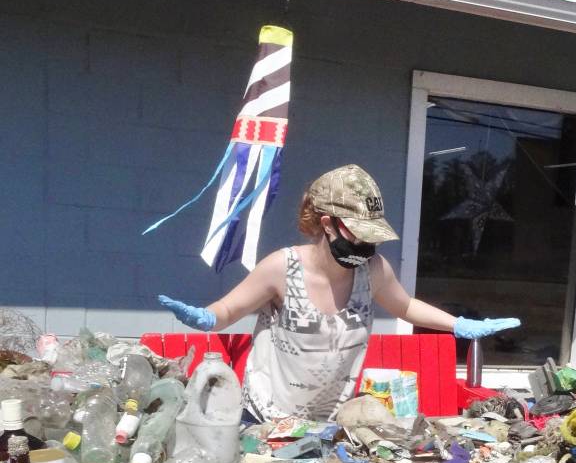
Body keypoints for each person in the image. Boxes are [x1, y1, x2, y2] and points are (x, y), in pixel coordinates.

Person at [158, 164, 519, 421]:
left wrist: (460, 326)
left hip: (331, 425)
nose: (367, 244)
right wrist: (206, 318)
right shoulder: (282, 268)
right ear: (328, 223)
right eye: (359, 233)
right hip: (266, 421)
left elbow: (406, 306)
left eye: (372, 235)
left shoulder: (372, 271)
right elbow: (228, 310)